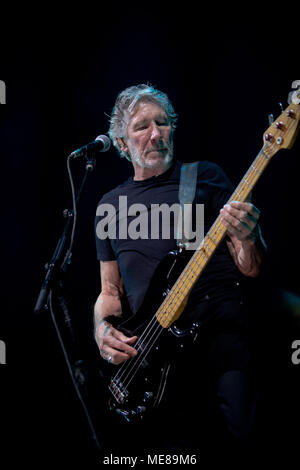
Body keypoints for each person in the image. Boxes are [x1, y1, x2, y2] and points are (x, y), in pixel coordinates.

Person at [93, 84, 266, 460]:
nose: (156, 133)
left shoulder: (204, 178)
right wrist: (101, 330)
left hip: (219, 344)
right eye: (142, 127)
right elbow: (109, 291)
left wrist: (250, 238)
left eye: (163, 123)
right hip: (154, 358)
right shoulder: (109, 206)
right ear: (122, 143)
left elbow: (250, 268)